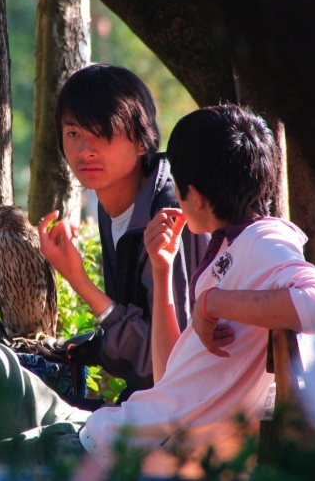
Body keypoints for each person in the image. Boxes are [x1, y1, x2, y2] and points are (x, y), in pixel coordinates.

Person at [0, 104, 315, 473]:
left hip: (106, 451)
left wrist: (211, 303)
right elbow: (170, 380)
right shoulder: (229, 249)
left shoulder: (265, 242)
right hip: (107, 428)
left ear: (194, 195)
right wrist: (163, 272)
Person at [40, 64, 208, 401]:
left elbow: (161, 363)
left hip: (186, 412)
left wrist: (79, 281)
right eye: (73, 134)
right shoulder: (112, 201)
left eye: (103, 133)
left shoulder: (172, 213)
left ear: (142, 141)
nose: (85, 150)